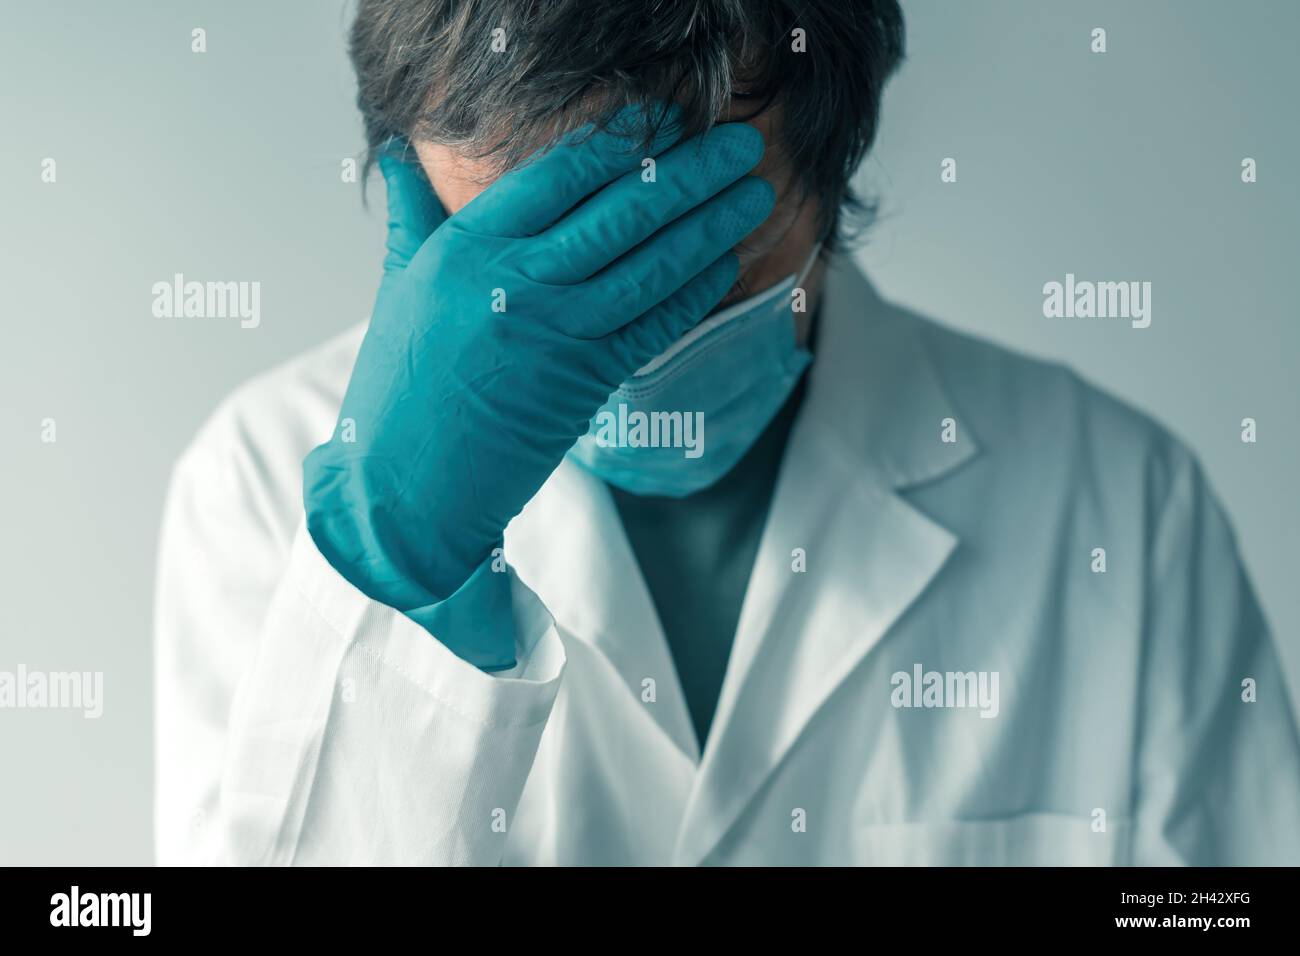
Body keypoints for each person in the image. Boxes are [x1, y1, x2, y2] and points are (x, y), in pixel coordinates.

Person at [154, 0, 1300, 865]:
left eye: (681, 264)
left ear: (829, 160)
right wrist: (396, 563)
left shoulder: (1117, 506)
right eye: (535, 269)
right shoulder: (257, 485)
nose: (620, 344)